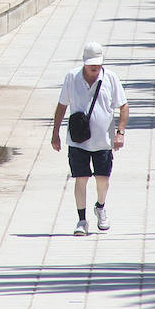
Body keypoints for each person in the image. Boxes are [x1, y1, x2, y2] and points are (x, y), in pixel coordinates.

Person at [51, 40, 129, 234]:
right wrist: (55, 134)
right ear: (84, 62)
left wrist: (120, 133)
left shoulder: (110, 78)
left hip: (103, 140)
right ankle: (82, 220)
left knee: (103, 180)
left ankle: (100, 207)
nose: (95, 67)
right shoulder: (72, 77)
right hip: (78, 140)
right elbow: (62, 106)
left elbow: (124, 106)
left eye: (98, 63)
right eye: (91, 64)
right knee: (81, 178)